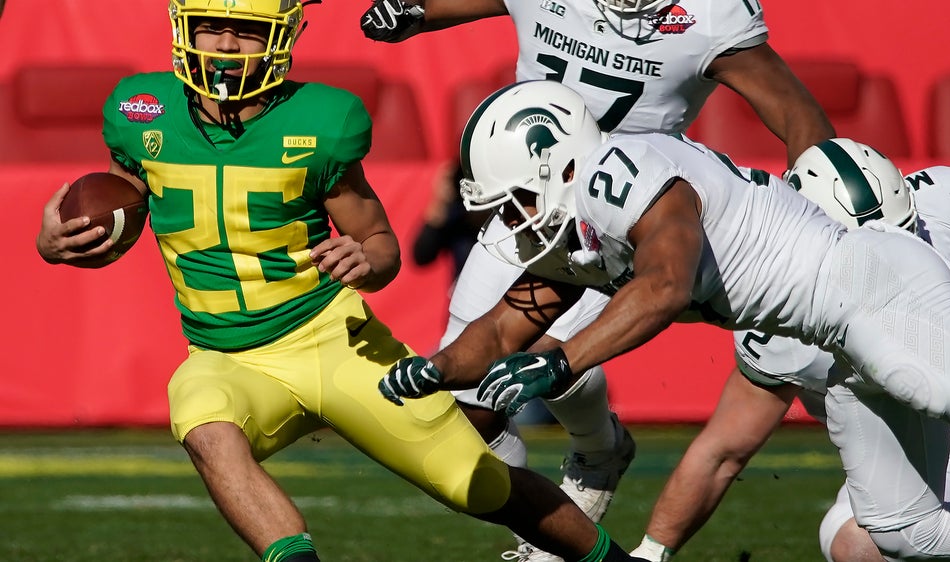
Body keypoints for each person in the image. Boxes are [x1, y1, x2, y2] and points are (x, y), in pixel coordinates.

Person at [34, 6, 645, 562]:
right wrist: (56, 242)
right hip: (223, 356)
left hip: (334, 341)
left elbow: (381, 247)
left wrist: (366, 260)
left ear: (282, 36)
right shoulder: (141, 109)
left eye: (245, 30)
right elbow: (125, 203)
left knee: (474, 481)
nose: (224, 45)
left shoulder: (324, 120)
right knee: (203, 421)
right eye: (210, 27)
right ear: (183, 28)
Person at [376, 80, 950, 559]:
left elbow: (667, 284)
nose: (511, 222)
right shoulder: (583, 229)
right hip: (844, 350)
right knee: (903, 531)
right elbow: (500, 329)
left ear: (557, 163)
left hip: (876, 291)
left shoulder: (621, 173)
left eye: (517, 203)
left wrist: (563, 360)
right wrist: (429, 371)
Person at [361, 4, 835, 558]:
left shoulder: (707, 14)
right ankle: (593, 459)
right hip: (525, 205)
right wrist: (410, 10)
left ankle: (578, 485)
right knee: (467, 411)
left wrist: (824, 215)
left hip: (628, 225)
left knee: (543, 349)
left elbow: (800, 116)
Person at [628, 153, 950, 561]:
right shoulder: (779, 325)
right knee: (864, 543)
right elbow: (722, 452)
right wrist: (651, 552)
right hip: (930, 468)